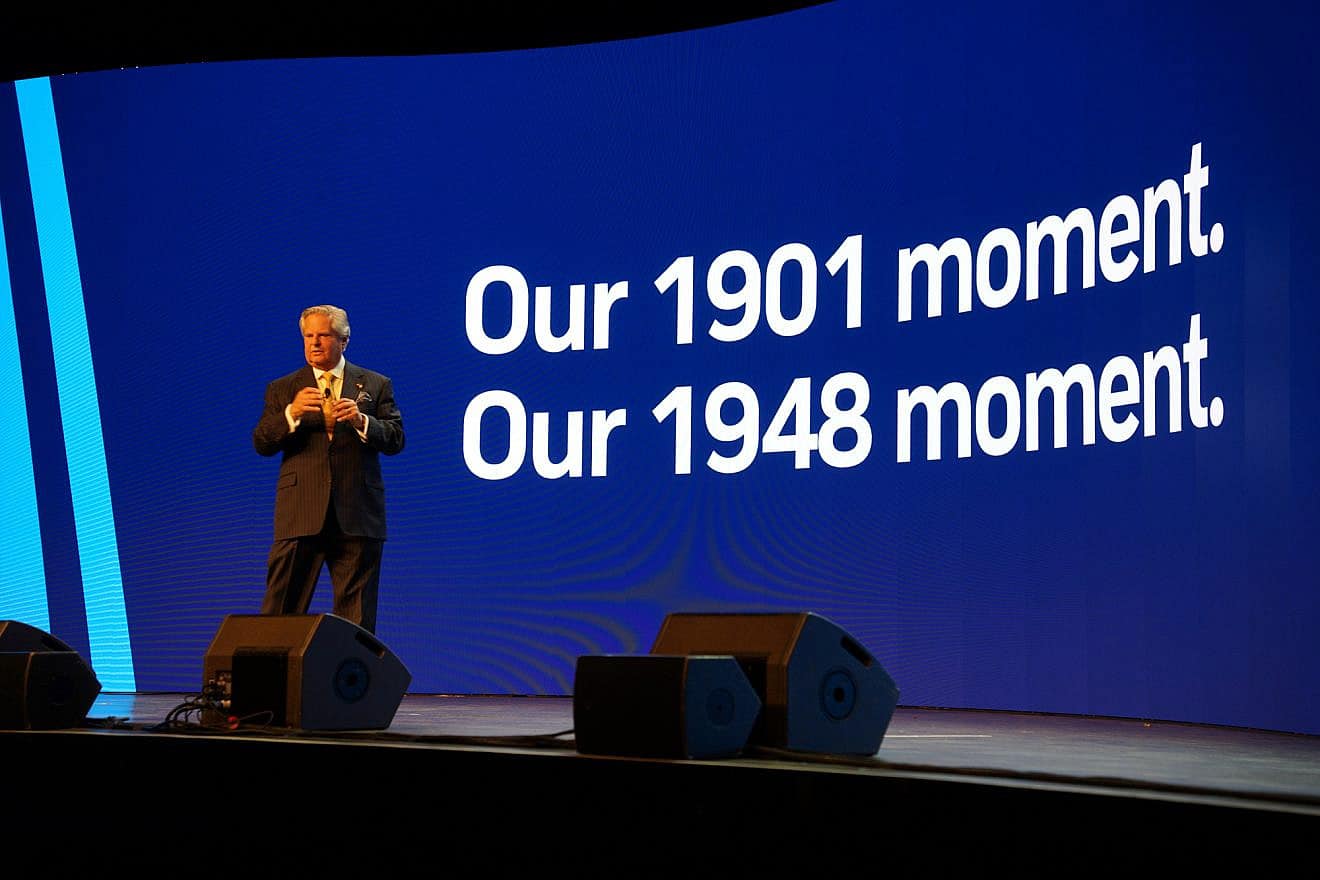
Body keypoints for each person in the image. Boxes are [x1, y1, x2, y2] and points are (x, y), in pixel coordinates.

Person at [253, 305, 404, 633]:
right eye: (308, 336)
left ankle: (349, 683)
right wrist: (291, 415)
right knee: (279, 615)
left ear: (344, 340)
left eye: (323, 335)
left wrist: (362, 420)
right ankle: (268, 684)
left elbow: (395, 439)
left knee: (357, 625)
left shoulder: (375, 385)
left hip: (357, 515)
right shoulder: (283, 388)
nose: (314, 343)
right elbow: (262, 442)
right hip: (301, 514)